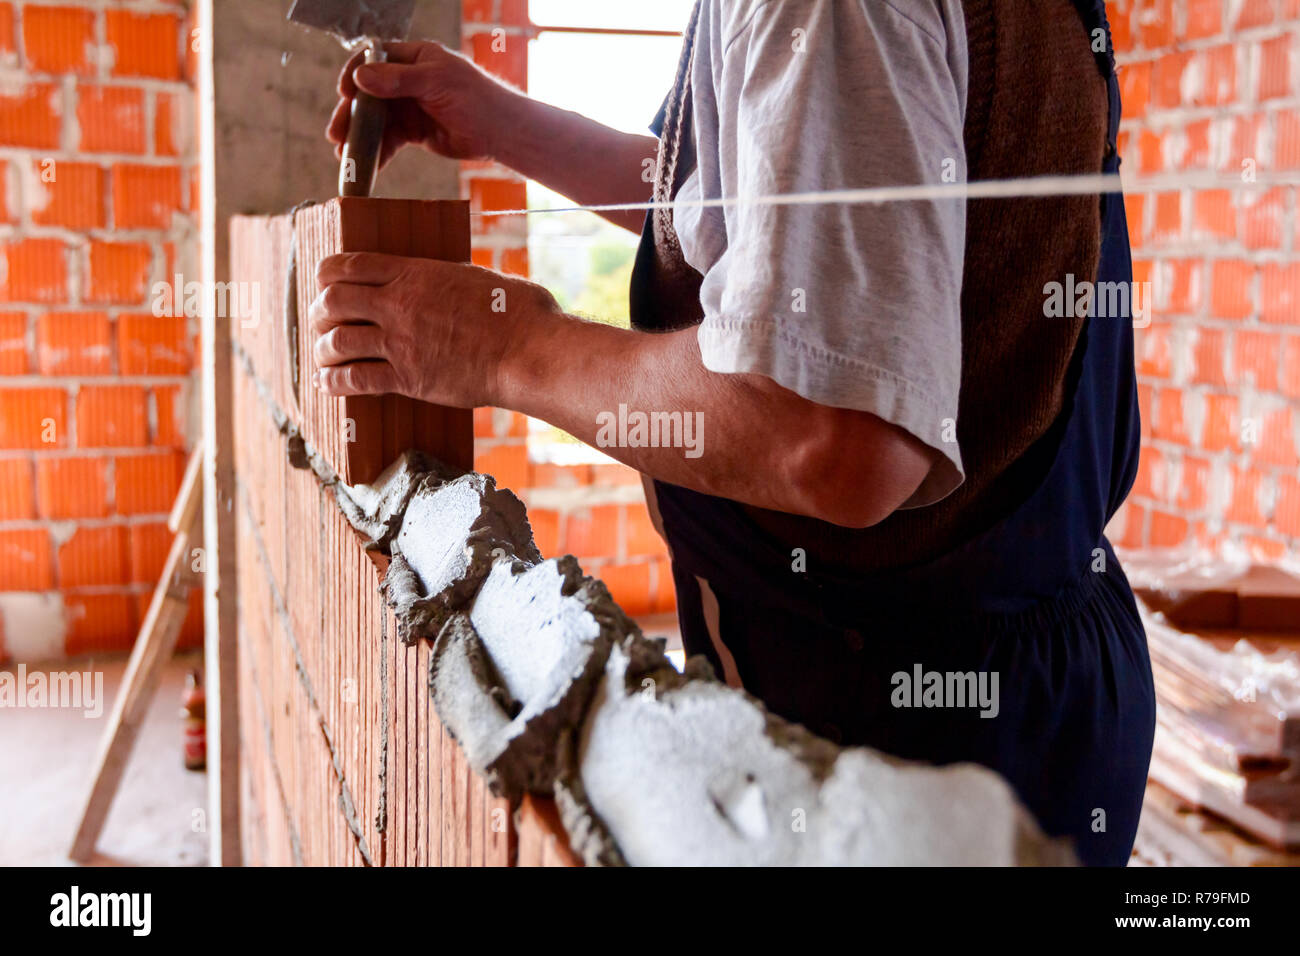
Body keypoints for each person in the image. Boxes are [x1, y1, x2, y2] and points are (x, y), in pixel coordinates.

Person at [314, 0, 1154, 866]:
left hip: (897, 732)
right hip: (1037, 673)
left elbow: (832, 435)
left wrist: (502, 347)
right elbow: (766, 226)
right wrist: (504, 123)